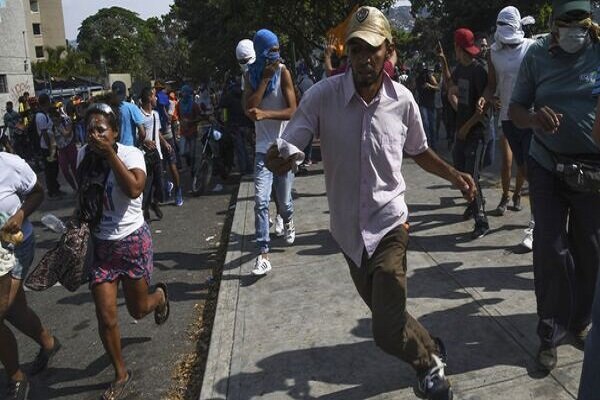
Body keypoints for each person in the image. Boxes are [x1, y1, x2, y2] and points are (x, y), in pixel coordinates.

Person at [266, 7, 478, 399]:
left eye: (372, 50)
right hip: (349, 233)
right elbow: (293, 140)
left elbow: (420, 151)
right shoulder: (322, 97)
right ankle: (432, 347)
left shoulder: (404, 102)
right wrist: (283, 155)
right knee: (390, 316)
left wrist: (455, 176)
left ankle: (430, 370)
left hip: (390, 225)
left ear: (388, 51)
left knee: (384, 330)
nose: (363, 59)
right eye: (356, 50)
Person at [508, 0, 600, 373]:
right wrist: (532, 118)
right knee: (550, 247)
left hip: (592, 170)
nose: (575, 30)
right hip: (546, 163)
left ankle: (580, 322)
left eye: (582, 22)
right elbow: (515, 108)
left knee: (590, 249)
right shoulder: (536, 55)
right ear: (554, 24)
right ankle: (549, 333)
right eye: (567, 22)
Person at [78, 100, 170, 400]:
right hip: (102, 248)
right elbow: (82, 193)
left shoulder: (131, 154)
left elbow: (134, 189)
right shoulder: (83, 156)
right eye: (90, 129)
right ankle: (120, 373)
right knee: (106, 317)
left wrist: (110, 155)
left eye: (101, 129)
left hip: (132, 242)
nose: (94, 135)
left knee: (137, 309)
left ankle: (159, 297)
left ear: (115, 132)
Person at [0, 152, 60, 400]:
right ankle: (48, 343)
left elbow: (37, 192)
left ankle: (16, 377)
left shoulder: (9, 164)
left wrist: (20, 215)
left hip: (14, 248)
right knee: (13, 308)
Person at [480, 6, 536, 250]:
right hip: (506, 119)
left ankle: (536, 225)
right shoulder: (493, 53)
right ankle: (525, 206)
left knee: (534, 170)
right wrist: (487, 97)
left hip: (530, 116)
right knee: (522, 166)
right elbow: (491, 85)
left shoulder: (531, 48)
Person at [245, 28, 297, 275]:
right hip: (261, 151)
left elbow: (293, 111)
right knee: (260, 201)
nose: (275, 54)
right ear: (260, 52)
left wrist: (266, 114)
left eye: (277, 49)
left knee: (284, 203)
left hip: (284, 148)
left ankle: (287, 218)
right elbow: (249, 108)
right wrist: (264, 79)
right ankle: (263, 254)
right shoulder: (250, 76)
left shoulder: (284, 72)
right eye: (271, 50)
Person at [439, 28, 491, 240]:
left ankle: (482, 222)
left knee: (472, 176)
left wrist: (466, 128)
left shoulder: (479, 70)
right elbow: (451, 84)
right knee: (460, 176)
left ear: (459, 48)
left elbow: (484, 110)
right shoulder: (461, 68)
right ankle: (474, 203)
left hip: (476, 131)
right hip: (462, 131)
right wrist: (443, 64)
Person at [139, 87, 168, 220]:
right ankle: (145, 210)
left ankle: (155, 203)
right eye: (154, 96)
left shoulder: (156, 114)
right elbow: (138, 136)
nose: (156, 98)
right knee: (147, 185)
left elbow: (158, 132)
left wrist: (165, 143)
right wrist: (145, 141)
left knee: (160, 183)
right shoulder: (139, 115)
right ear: (149, 98)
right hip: (145, 156)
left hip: (158, 154)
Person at [155, 83, 183, 206]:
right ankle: (168, 186)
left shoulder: (169, 102)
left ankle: (178, 191)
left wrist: (164, 112)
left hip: (167, 137)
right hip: (157, 139)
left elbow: (170, 119)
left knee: (172, 166)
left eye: (159, 89)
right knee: (160, 169)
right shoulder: (154, 104)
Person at [35, 94, 63, 198]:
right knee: (50, 170)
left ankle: (55, 188)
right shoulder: (40, 116)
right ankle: (52, 191)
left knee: (54, 168)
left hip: (51, 146)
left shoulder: (45, 114)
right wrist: (50, 147)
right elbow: (45, 133)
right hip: (47, 147)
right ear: (46, 102)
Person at [49, 106, 78, 192]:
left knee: (75, 168)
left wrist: (60, 127)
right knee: (64, 170)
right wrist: (52, 155)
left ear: (58, 117)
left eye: (55, 119)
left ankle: (80, 185)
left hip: (70, 146)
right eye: (52, 120)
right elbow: (53, 143)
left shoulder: (67, 120)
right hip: (61, 150)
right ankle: (74, 188)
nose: (54, 122)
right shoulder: (51, 127)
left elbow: (67, 134)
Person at [111, 81, 146, 147]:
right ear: (125, 93)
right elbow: (142, 133)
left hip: (113, 150)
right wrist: (138, 144)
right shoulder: (132, 107)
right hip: (130, 148)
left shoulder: (108, 108)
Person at [416, 63, 439, 150]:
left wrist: (429, 86)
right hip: (422, 103)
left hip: (430, 104)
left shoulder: (429, 77)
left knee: (431, 125)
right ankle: (428, 145)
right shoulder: (418, 79)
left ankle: (433, 145)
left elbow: (437, 88)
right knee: (425, 124)